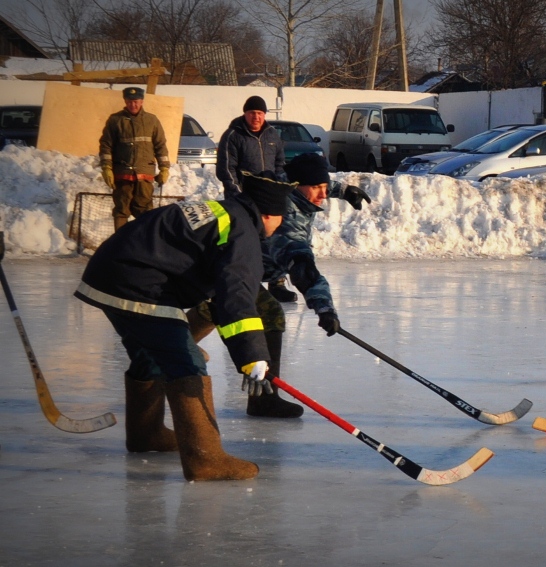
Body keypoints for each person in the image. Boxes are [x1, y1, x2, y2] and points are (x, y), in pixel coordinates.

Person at [75, 172, 296, 481]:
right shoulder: (243, 230)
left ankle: (146, 435)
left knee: (150, 355)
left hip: (110, 273)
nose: (278, 227)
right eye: (280, 219)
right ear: (270, 214)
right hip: (139, 284)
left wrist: (244, 347)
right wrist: (253, 355)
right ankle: (205, 459)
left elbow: (222, 291)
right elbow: (237, 293)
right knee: (186, 361)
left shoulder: (225, 213)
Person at [188, 153, 372, 419]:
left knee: (215, 304)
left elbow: (315, 182)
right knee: (270, 314)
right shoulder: (286, 222)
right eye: (317, 189)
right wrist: (324, 308)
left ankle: (174, 342)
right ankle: (264, 400)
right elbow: (304, 271)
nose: (322, 194)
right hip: (227, 266)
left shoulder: (285, 185)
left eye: (324, 187)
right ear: (297, 187)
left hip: (221, 262)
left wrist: (342, 190)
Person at [215, 95, 296, 302]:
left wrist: (277, 189)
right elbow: (226, 169)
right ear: (245, 113)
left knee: (275, 238)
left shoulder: (272, 135)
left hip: (268, 199)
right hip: (244, 198)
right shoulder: (233, 135)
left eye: (260, 113)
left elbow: (279, 164)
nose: (256, 117)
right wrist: (237, 194)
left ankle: (277, 282)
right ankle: (249, 282)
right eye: (252, 113)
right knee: (246, 240)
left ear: (265, 115)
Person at [99, 87, 170, 232]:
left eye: (136, 101)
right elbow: (106, 146)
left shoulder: (152, 120)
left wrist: (164, 168)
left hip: (144, 176)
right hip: (122, 174)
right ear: (125, 101)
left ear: (142, 101)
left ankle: (143, 246)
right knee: (121, 210)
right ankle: (121, 246)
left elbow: (160, 145)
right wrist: (106, 168)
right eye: (130, 101)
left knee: (145, 211)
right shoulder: (115, 120)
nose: (133, 105)